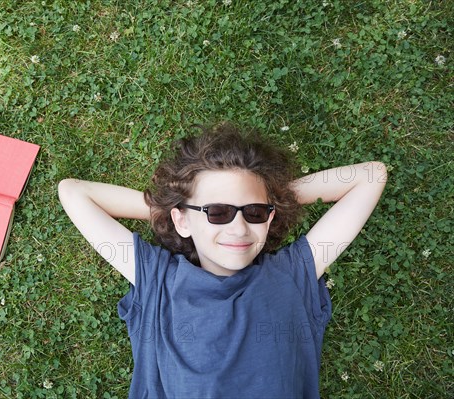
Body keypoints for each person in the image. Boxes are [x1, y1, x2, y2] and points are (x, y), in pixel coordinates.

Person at [58, 123, 387, 398]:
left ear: (269, 218)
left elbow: (371, 176)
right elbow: (74, 193)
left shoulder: (292, 274)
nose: (240, 227)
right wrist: (176, 208)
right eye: (218, 212)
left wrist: (276, 198)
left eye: (254, 212)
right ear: (183, 222)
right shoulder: (157, 280)